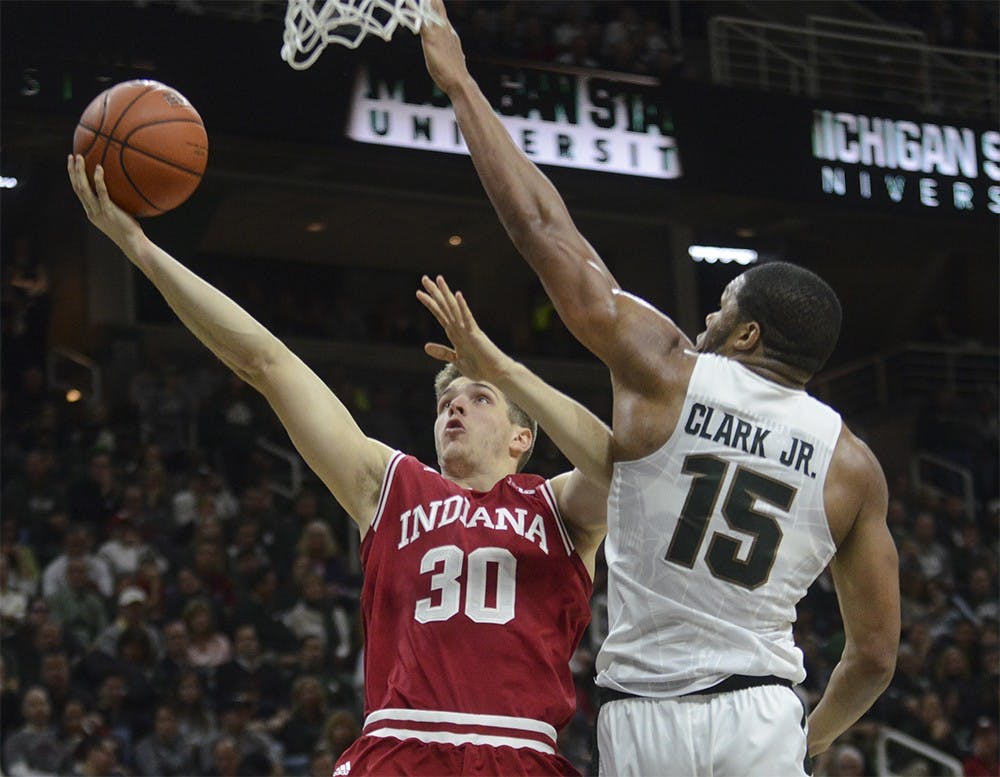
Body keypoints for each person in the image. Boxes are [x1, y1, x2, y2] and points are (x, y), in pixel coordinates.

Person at [418, 4, 901, 774]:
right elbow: (874, 656)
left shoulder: (667, 371)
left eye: (727, 302)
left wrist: (461, 85)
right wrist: (802, 738)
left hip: (647, 716)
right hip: (764, 709)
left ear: (748, 335)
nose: (711, 310)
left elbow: (543, 229)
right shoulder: (854, 467)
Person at [68, 155, 611, 775]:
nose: (454, 409)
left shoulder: (559, 505)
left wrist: (504, 368)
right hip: (403, 744)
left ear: (522, 437)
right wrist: (138, 248)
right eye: (445, 403)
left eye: (478, 398)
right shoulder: (391, 483)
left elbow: (622, 468)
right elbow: (267, 363)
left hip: (521, 750)